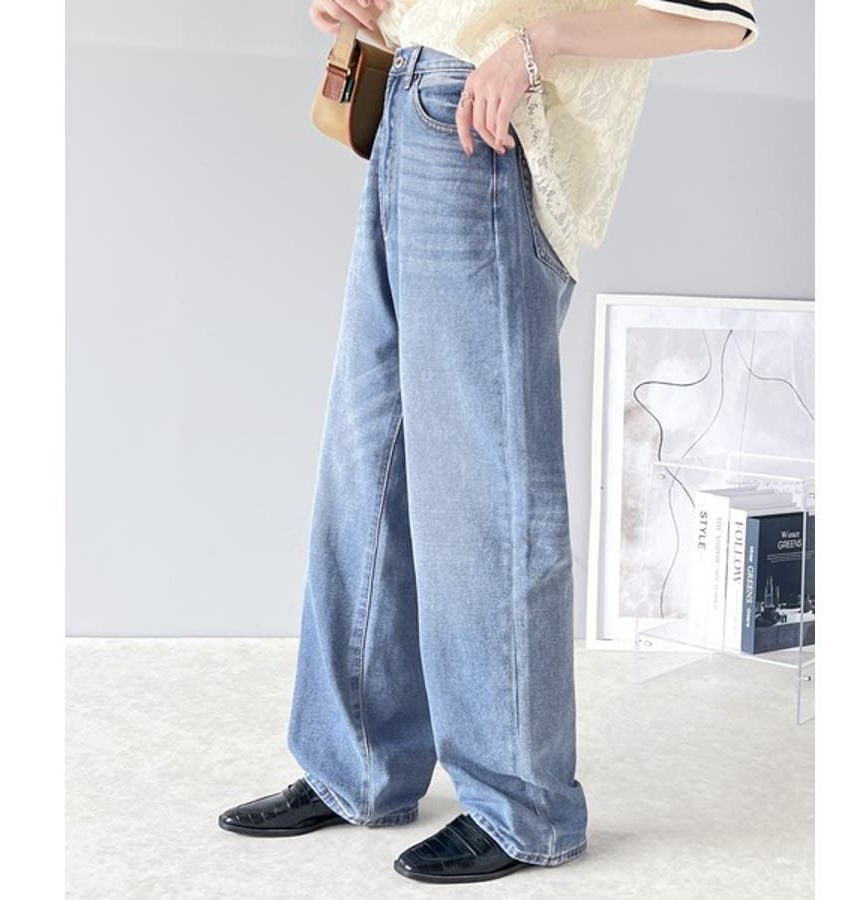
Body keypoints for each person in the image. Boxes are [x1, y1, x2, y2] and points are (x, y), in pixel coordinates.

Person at [218, 0, 759, 885]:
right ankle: (357, 766)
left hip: (483, 130)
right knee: (369, 464)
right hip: (409, 105)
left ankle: (522, 807)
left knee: (486, 487)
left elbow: (726, 21)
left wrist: (538, 45)